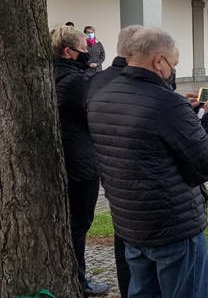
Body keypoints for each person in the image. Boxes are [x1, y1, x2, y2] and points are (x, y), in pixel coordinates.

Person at [88, 26, 208, 297]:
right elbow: (206, 161)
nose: (173, 70)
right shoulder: (166, 104)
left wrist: (184, 112)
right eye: (173, 64)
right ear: (159, 60)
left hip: (130, 223)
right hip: (173, 225)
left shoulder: (101, 94)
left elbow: (142, 138)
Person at [50, 25, 109, 296]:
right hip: (82, 162)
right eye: (85, 49)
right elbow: (96, 118)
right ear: (68, 52)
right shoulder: (77, 81)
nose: (89, 53)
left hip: (64, 158)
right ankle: (79, 281)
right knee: (79, 223)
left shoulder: (50, 74)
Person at [84, 24, 142, 298]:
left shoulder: (96, 80)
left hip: (107, 167)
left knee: (123, 234)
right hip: (136, 170)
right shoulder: (136, 80)